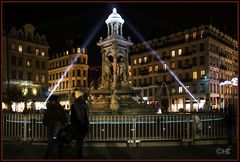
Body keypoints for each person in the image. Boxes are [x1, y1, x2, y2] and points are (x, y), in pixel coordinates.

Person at [43, 95, 67, 159]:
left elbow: (44, 121)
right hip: (58, 130)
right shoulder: (59, 108)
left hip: (51, 129)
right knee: (59, 145)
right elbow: (64, 119)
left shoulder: (48, 109)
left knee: (51, 144)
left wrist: (48, 124)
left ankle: (47, 156)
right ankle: (58, 157)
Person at [70, 91, 89, 159]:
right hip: (79, 125)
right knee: (79, 141)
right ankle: (79, 154)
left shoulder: (77, 104)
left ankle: (79, 154)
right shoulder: (80, 104)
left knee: (80, 141)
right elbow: (73, 117)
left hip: (80, 125)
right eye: (82, 96)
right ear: (80, 97)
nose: (83, 97)